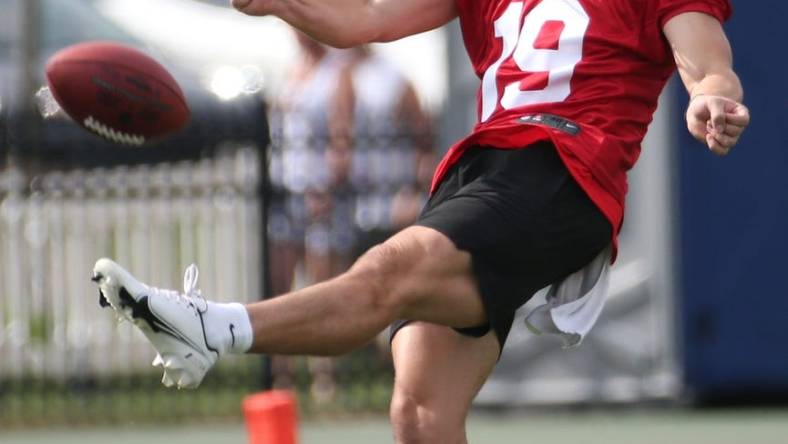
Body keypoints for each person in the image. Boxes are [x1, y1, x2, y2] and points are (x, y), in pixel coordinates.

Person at [92, 0, 749, 442]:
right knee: (421, 412)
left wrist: (712, 101)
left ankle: (211, 328)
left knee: (388, 271)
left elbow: (709, 63)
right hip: (479, 169)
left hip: (563, 168)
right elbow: (369, 17)